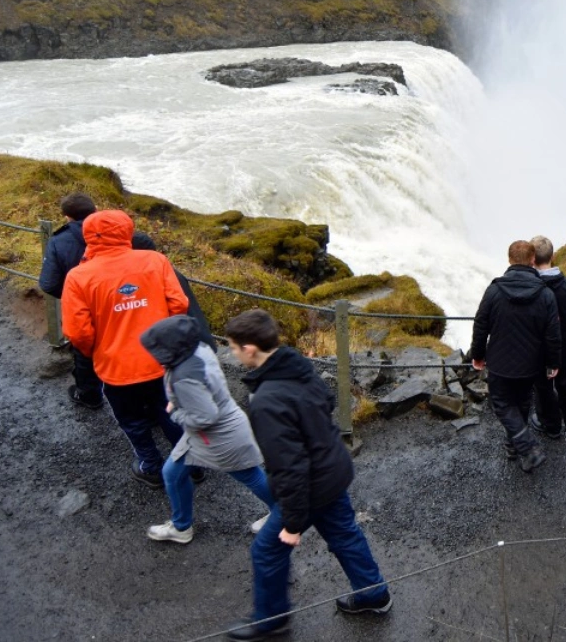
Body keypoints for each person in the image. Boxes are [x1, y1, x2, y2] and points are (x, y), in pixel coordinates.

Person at [223, 310, 391, 640]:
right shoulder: (296, 365)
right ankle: (373, 594)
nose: (231, 352)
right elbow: (326, 400)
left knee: (266, 551)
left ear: (250, 350)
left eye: (233, 347)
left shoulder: (268, 400)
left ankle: (271, 623)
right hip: (334, 469)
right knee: (344, 533)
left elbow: (290, 466)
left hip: (312, 484)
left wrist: (293, 523)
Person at [61, 209, 191, 486]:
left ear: (88, 236)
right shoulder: (155, 261)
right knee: (170, 412)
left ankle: (151, 466)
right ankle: (192, 465)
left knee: (132, 419)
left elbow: (77, 331)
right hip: (161, 360)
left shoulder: (78, 277)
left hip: (116, 367)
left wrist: (98, 351)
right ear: (126, 231)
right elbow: (179, 305)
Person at [139, 315, 274, 544]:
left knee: (249, 475)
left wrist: (175, 412)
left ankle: (285, 515)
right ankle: (181, 527)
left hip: (220, 438)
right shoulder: (199, 348)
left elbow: (205, 417)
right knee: (172, 473)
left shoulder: (184, 377)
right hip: (213, 432)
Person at [470, 240, 561, 472]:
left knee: (500, 403)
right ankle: (514, 446)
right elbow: (553, 334)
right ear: (532, 260)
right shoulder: (546, 294)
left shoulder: (494, 291)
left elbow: (481, 326)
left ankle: (526, 446)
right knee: (522, 401)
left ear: (509, 260)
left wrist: (478, 355)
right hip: (531, 363)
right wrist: (553, 363)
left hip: (499, 362)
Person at [39, 192, 104, 409]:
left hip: (82, 306)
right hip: (117, 300)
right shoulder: (114, 232)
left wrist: (71, 296)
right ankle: (141, 402)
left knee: (84, 348)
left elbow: (48, 283)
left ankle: (89, 395)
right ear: (95, 210)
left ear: (67, 216)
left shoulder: (59, 241)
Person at [529, 236, 566, 439]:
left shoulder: (530, 288)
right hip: (564, 341)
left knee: (543, 386)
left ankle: (551, 425)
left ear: (531, 260)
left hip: (538, 346)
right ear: (553, 256)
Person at [131, 231, 216, 351]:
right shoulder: (169, 272)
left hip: (187, 345)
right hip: (199, 339)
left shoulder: (154, 276)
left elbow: (178, 305)